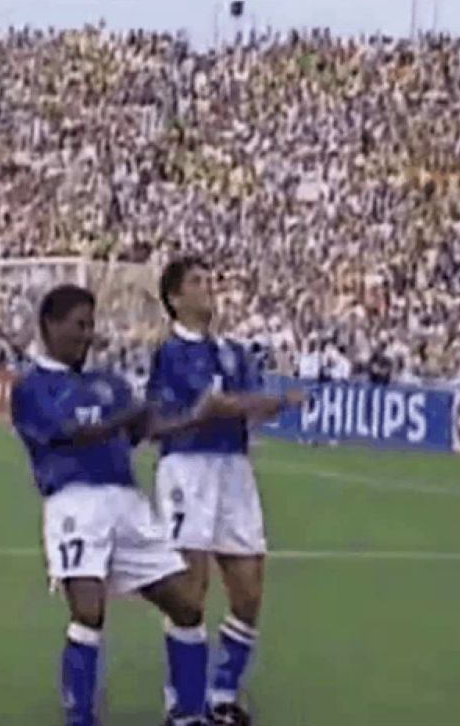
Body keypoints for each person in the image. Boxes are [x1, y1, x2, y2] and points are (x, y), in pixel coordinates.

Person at [11, 284, 242, 726]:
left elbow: (145, 429)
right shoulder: (31, 387)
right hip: (74, 502)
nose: (87, 334)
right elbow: (68, 434)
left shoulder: (107, 382)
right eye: (79, 325)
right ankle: (81, 718)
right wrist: (127, 416)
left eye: (91, 324)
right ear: (49, 326)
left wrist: (196, 415)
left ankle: (187, 714)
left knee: (187, 606)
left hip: (128, 502)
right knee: (88, 610)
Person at [146, 257, 305, 725]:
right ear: (175, 299)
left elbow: (246, 405)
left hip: (234, 469)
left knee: (250, 590)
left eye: (209, 280)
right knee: (189, 594)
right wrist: (258, 402)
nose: (208, 288)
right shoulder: (169, 354)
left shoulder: (233, 352)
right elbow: (183, 414)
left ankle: (221, 695)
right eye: (196, 282)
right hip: (187, 470)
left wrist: (259, 405)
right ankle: (183, 703)